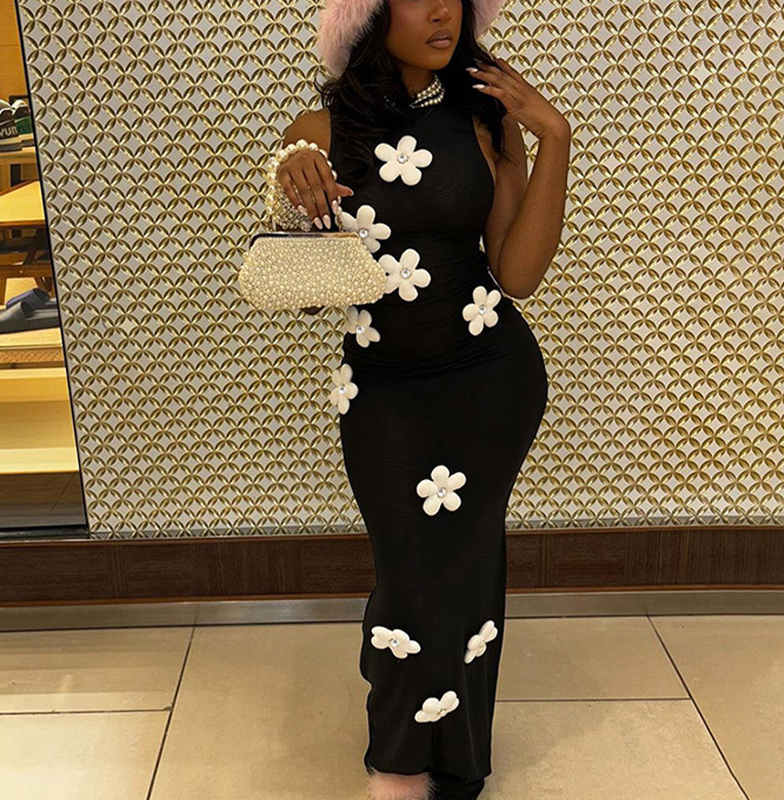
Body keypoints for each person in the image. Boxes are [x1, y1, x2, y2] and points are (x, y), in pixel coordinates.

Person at [272, 1, 570, 797]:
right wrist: (291, 193)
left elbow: (518, 275)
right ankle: (405, 747)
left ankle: (434, 764)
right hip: (382, 388)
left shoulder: (484, 119)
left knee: (463, 567)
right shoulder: (318, 130)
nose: (444, 10)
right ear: (368, 16)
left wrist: (555, 139)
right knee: (408, 570)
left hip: (489, 379)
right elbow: (309, 294)